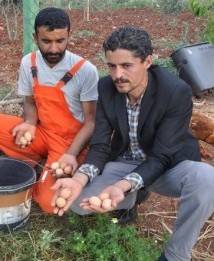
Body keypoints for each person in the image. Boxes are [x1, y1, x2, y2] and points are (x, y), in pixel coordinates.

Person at [50, 27, 214, 261]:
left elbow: (161, 157)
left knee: (207, 179)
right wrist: (78, 178)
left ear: (147, 61)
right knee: (77, 201)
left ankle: (175, 254)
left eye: (126, 66)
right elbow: (100, 146)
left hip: (168, 165)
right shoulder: (106, 88)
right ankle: (134, 195)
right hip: (128, 160)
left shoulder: (175, 92)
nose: (117, 74)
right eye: (111, 66)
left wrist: (122, 186)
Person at [0, 7, 99, 213]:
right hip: (43, 133)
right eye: (46, 41)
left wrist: (71, 154)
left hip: (69, 142)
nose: (53, 48)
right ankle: (37, 163)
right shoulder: (29, 63)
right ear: (35, 37)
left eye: (60, 41)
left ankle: (48, 172)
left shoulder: (85, 71)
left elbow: (91, 122)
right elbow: (30, 102)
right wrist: (29, 123)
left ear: (69, 35)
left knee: (47, 203)